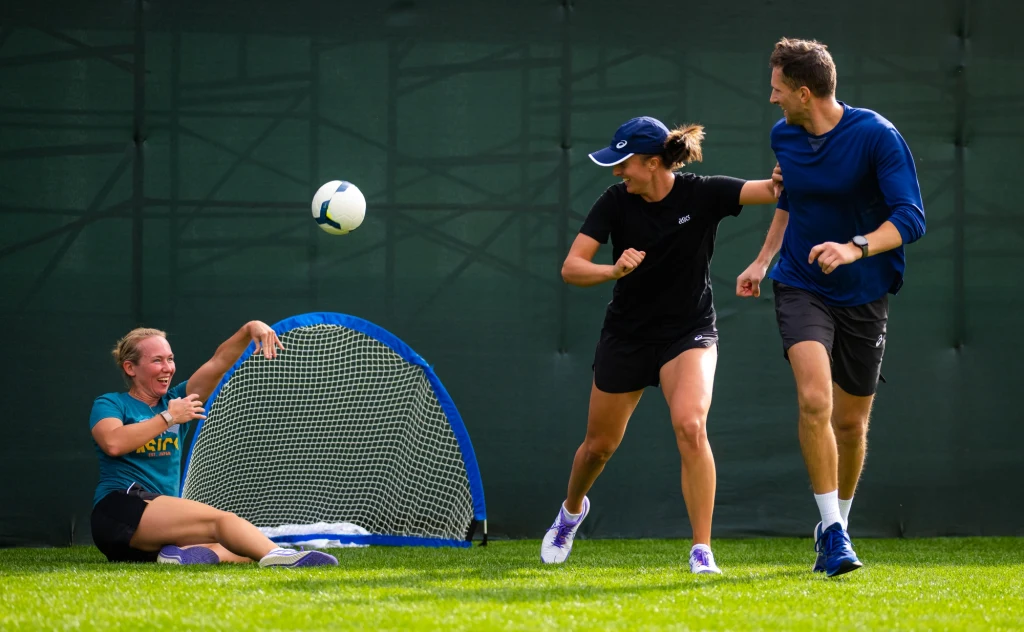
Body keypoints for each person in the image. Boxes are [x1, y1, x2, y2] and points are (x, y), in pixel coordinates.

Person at [541, 116, 780, 573]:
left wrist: (785, 174)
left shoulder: (703, 193)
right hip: (627, 336)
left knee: (691, 426)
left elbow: (769, 191)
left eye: (624, 163)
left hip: (687, 333)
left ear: (654, 163)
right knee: (598, 447)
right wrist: (613, 272)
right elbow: (572, 267)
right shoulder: (614, 202)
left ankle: (702, 549)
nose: (616, 172)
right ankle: (571, 512)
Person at [736, 37, 926, 577]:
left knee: (850, 423)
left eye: (776, 90)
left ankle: (834, 525)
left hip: (865, 291)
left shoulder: (876, 136)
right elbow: (791, 199)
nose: (771, 100)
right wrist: (763, 259)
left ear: (803, 92)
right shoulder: (785, 136)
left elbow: (911, 218)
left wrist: (854, 247)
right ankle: (835, 535)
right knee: (815, 399)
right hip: (800, 283)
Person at [89, 321, 338, 567]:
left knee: (242, 546)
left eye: (170, 359)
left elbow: (217, 363)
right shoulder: (112, 403)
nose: (168, 368)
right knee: (224, 522)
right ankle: (280, 557)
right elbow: (113, 443)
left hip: (147, 538)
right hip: (118, 511)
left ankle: (180, 555)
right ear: (131, 368)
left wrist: (248, 328)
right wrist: (168, 418)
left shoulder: (179, 400)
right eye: (157, 361)